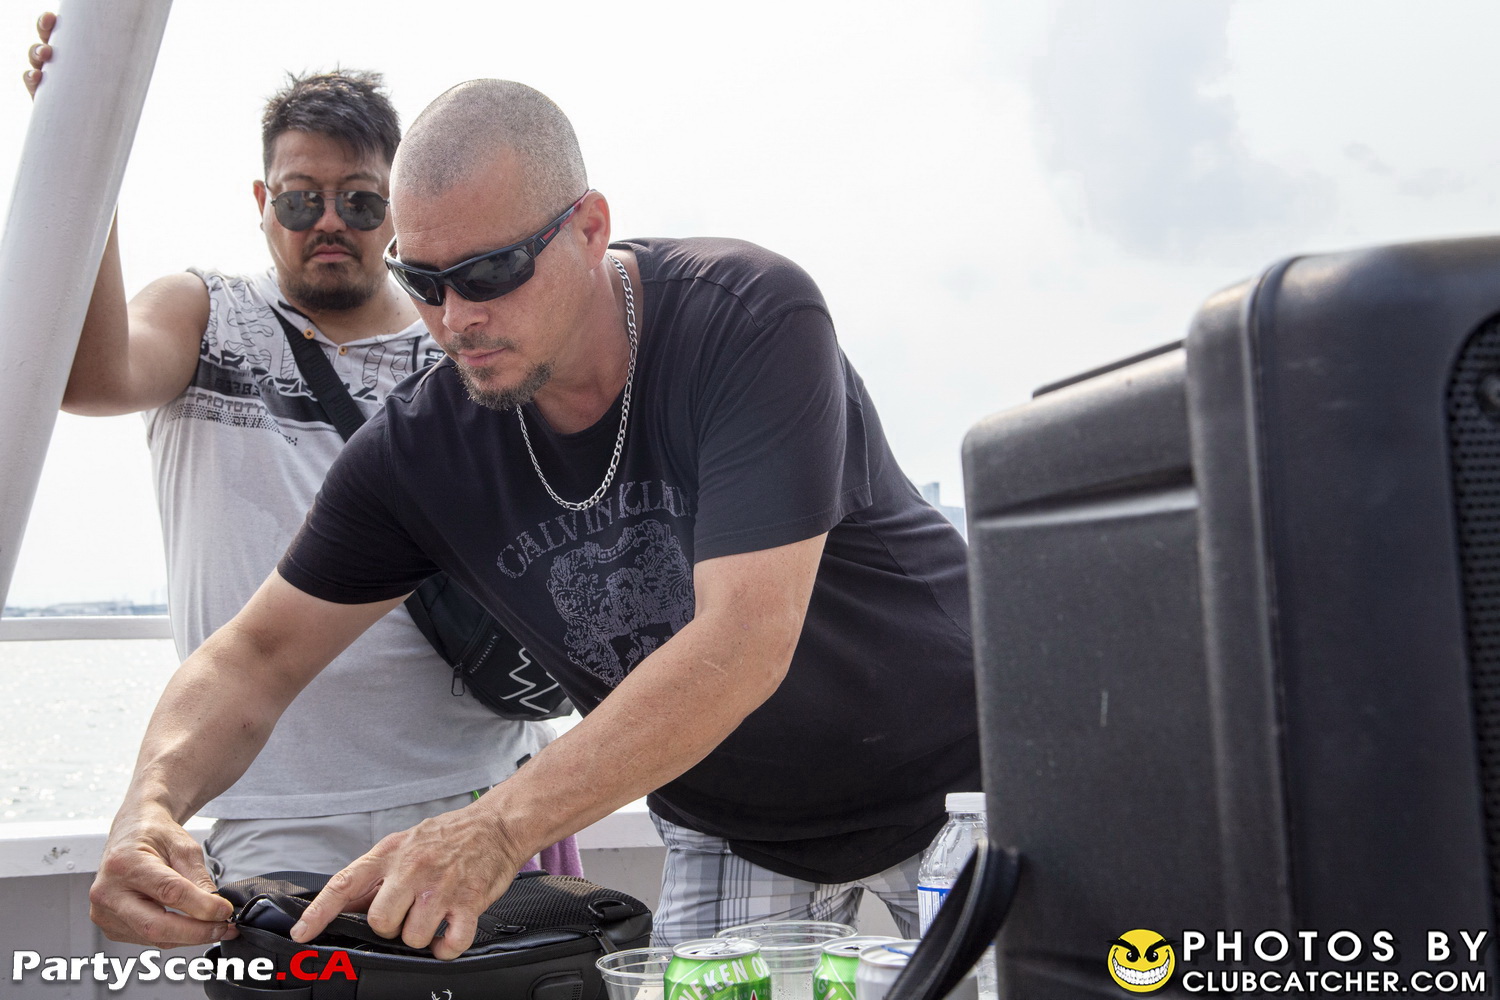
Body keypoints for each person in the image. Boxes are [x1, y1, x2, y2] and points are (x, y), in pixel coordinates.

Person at [87, 78, 981, 956]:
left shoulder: (745, 317)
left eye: (491, 272)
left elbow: (744, 641)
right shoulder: (422, 448)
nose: (456, 319)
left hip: (964, 781)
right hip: (735, 825)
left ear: (589, 228)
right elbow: (256, 656)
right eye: (423, 280)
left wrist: (496, 828)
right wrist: (148, 808)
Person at [24, 23, 567, 889]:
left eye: (360, 202)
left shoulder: (462, 341)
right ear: (262, 200)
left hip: (480, 786)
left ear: (399, 207)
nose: (330, 223)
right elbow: (92, 376)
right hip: (277, 809)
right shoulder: (207, 315)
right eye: (300, 200)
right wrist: (85, 152)